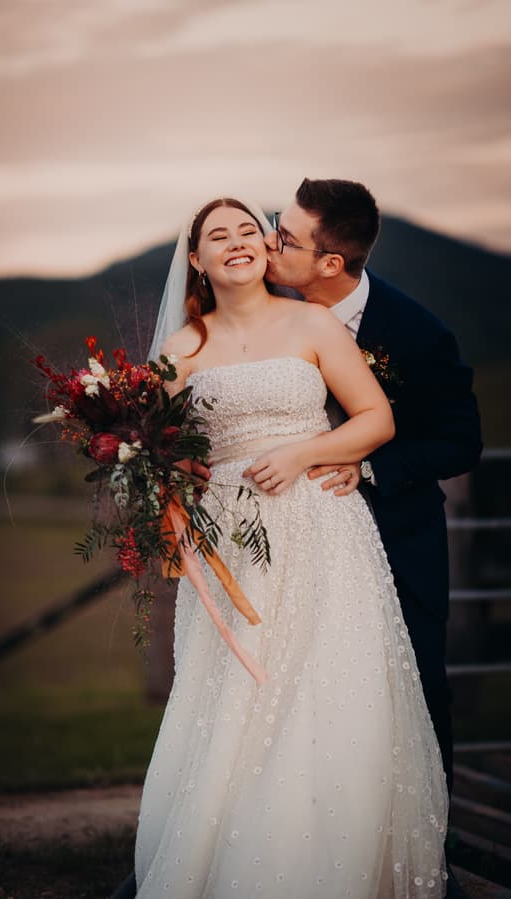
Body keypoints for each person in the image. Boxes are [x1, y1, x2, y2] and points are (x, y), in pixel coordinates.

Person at [124, 197, 449, 899]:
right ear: (197, 259)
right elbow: (162, 456)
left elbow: (376, 419)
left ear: (266, 251)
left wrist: (305, 451)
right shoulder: (181, 349)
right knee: (237, 701)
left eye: (249, 230)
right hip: (230, 548)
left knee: (325, 694)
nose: (239, 241)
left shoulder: (312, 322)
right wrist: (169, 497)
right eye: (220, 235)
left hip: (323, 534)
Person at [261, 179, 482, 899]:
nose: (270, 242)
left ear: (331, 263)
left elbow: (462, 440)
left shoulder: (415, 331)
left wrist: (369, 462)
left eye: (286, 237)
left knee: (415, 688)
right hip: (295, 543)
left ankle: (425, 848)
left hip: (397, 538)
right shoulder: (266, 317)